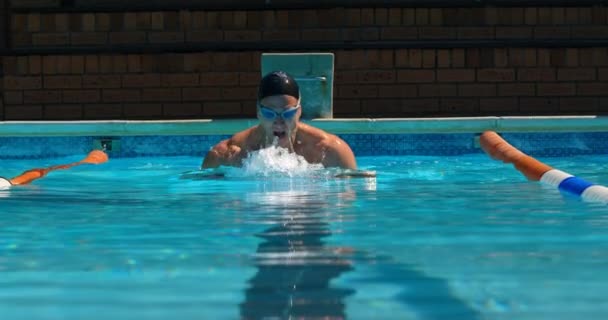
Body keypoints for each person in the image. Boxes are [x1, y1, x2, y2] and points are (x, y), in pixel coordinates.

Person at [202, 70, 357, 169]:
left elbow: (348, 205)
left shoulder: (331, 152)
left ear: (299, 112)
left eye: (288, 113)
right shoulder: (226, 155)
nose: (279, 121)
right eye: (270, 113)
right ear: (258, 113)